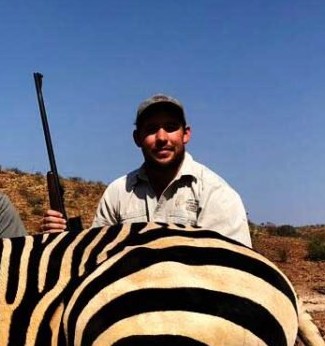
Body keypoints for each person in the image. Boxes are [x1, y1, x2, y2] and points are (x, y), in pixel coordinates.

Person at [41, 94, 252, 247]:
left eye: (170, 127)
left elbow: (232, 273)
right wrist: (63, 240)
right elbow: (97, 257)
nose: (161, 138)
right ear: (137, 138)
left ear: (186, 134)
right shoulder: (117, 192)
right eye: (151, 129)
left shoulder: (216, 193)